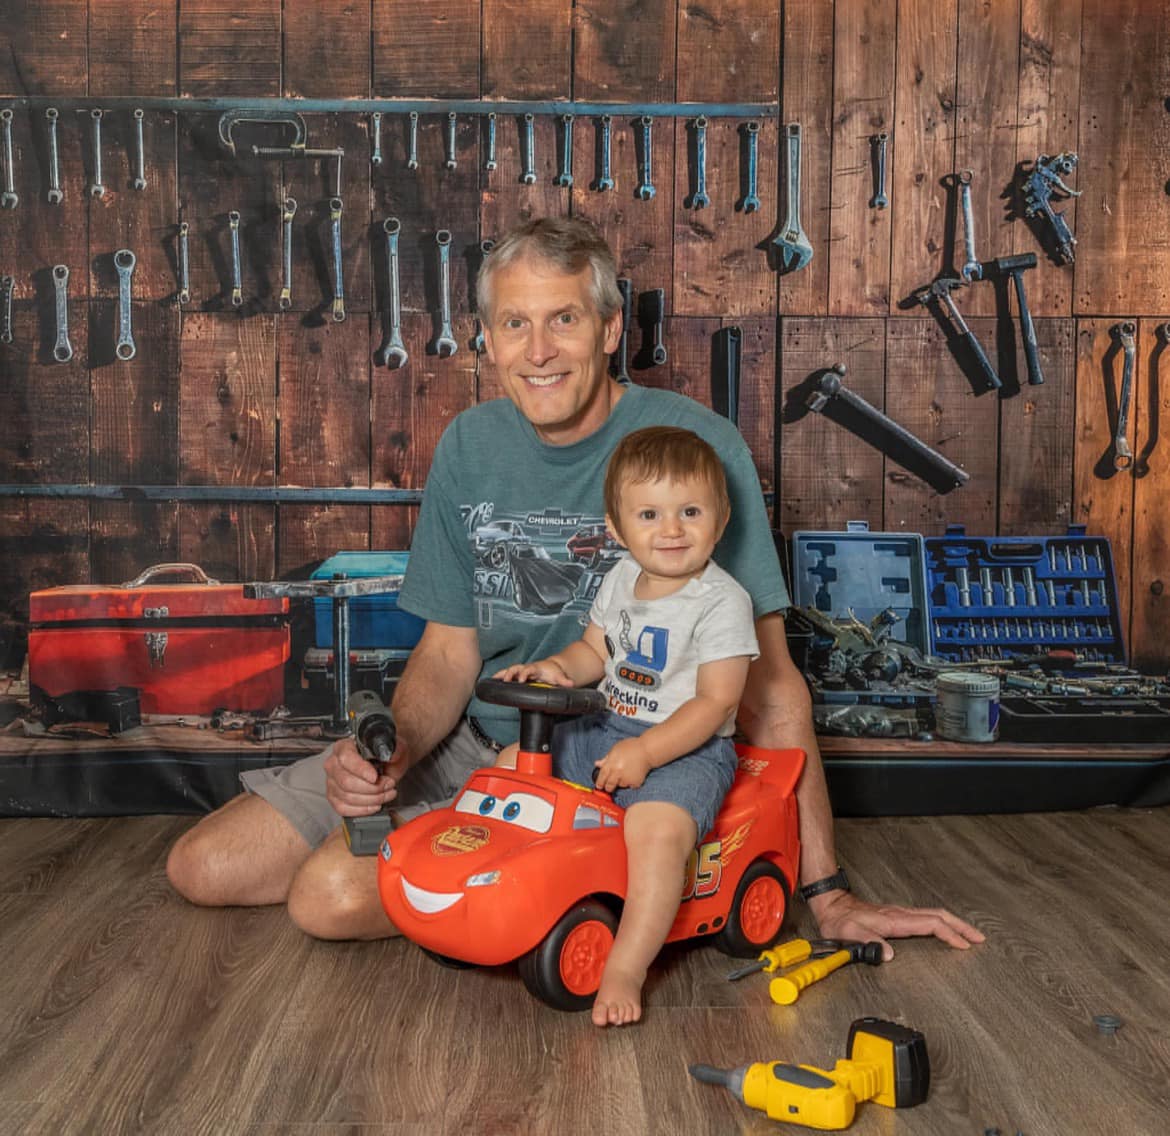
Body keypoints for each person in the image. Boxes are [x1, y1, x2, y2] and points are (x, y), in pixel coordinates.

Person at [166, 216, 984, 966]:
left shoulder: (695, 444)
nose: (540, 351)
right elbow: (448, 651)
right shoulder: (469, 445)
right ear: (487, 340)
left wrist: (825, 894)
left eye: (563, 319)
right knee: (201, 866)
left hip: (601, 763)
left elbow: (770, 689)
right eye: (515, 324)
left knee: (328, 895)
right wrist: (393, 755)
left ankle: (559, 894)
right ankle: (492, 874)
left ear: (610, 328)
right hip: (475, 742)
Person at [494, 425, 760, 1026]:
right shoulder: (618, 579)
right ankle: (505, 894)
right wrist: (558, 668)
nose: (671, 529)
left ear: (719, 521)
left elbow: (716, 704)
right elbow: (596, 651)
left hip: (686, 749)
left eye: (690, 511)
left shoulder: (722, 601)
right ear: (617, 528)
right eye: (649, 514)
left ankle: (626, 966)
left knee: (656, 832)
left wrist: (646, 752)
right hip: (608, 726)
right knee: (512, 769)